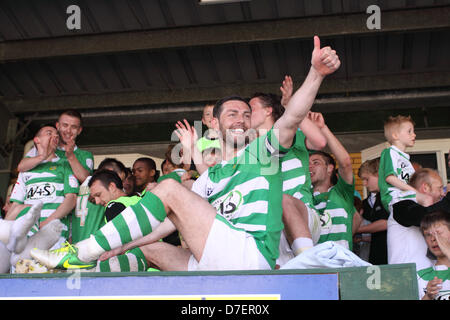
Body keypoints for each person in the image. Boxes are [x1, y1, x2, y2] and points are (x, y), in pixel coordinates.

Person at [31, 35, 341, 271]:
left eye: (247, 115)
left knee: (170, 188)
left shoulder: (264, 152)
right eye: (232, 114)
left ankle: (81, 252)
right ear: (215, 125)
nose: (241, 119)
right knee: (147, 248)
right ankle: (87, 271)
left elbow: (292, 118)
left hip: (250, 255)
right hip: (217, 258)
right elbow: (168, 223)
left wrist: (315, 74)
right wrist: (120, 245)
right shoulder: (212, 175)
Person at [247, 90, 326, 265]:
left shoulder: (292, 136)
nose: (246, 113)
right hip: (271, 226)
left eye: (251, 108)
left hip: (302, 216)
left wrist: (290, 107)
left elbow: (319, 141)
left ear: (268, 110)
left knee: (280, 199)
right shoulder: (249, 150)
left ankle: (309, 264)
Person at [6, 125, 79, 248]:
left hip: (54, 237)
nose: (55, 136)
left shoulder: (64, 165)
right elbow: (15, 206)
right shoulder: (26, 170)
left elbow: (71, 199)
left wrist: (47, 222)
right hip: (25, 237)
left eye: (56, 135)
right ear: (37, 140)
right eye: (49, 133)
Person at [307, 113, 356, 250]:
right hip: (314, 266)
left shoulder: (341, 192)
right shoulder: (303, 195)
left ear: (330, 169)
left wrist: (323, 128)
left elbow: (345, 162)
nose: (309, 166)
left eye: (316, 163)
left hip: (341, 264)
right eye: (307, 164)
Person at [87, 169, 148, 272]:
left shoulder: (113, 206)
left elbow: (118, 241)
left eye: (98, 195)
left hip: (138, 266)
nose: (97, 202)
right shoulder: (140, 199)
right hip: (157, 265)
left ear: (111, 187)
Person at [390, 168, 447, 270]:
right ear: (425, 187)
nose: (443, 193)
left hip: (426, 279)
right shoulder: (400, 205)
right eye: (440, 188)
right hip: (407, 280)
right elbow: (425, 217)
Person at [17, 110, 94, 184]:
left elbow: (87, 181)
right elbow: (21, 167)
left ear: (79, 130)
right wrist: (42, 156)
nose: (68, 131)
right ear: (58, 126)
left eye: (73, 127)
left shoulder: (86, 155)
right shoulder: (42, 147)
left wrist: (70, 156)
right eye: (65, 125)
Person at [71, 158, 127, 244]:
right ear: (109, 172)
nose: (120, 185)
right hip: (97, 248)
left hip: (78, 245)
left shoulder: (83, 185)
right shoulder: (109, 199)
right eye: (120, 179)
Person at [354, 158, 389, 265]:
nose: (364, 184)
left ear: (379, 174)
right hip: (374, 256)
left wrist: (357, 230)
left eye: (366, 179)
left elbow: (386, 223)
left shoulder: (390, 197)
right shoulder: (366, 203)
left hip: (390, 256)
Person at [417, 210, 449, 300]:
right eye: (427, 234)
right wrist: (428, 296)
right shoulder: (420, 276)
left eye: (438, 233)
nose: (433, 239)